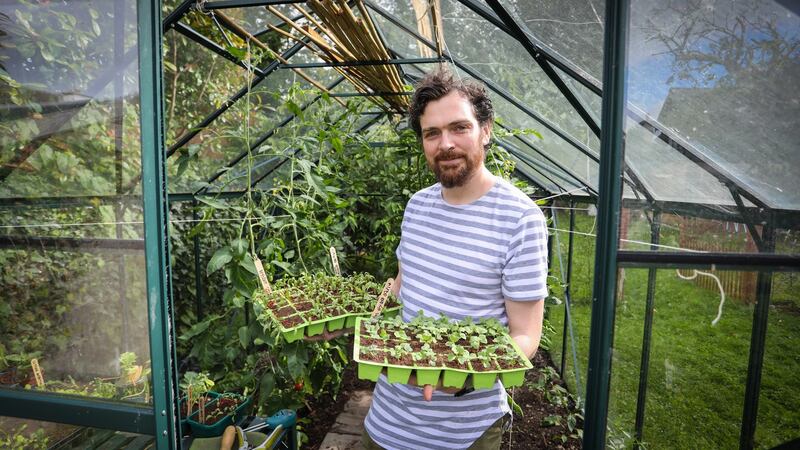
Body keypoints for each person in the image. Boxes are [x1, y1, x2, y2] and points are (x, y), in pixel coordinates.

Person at [360, 69, 548, 450]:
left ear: (485, 130)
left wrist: (460, 374)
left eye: (459, 127)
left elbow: (526, 334)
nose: (445, 144)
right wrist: (355, 318)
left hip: (463, 433)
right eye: (432, 133)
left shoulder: (519, 218)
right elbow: (402, 286)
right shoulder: (417, 206)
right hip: (387, 422)